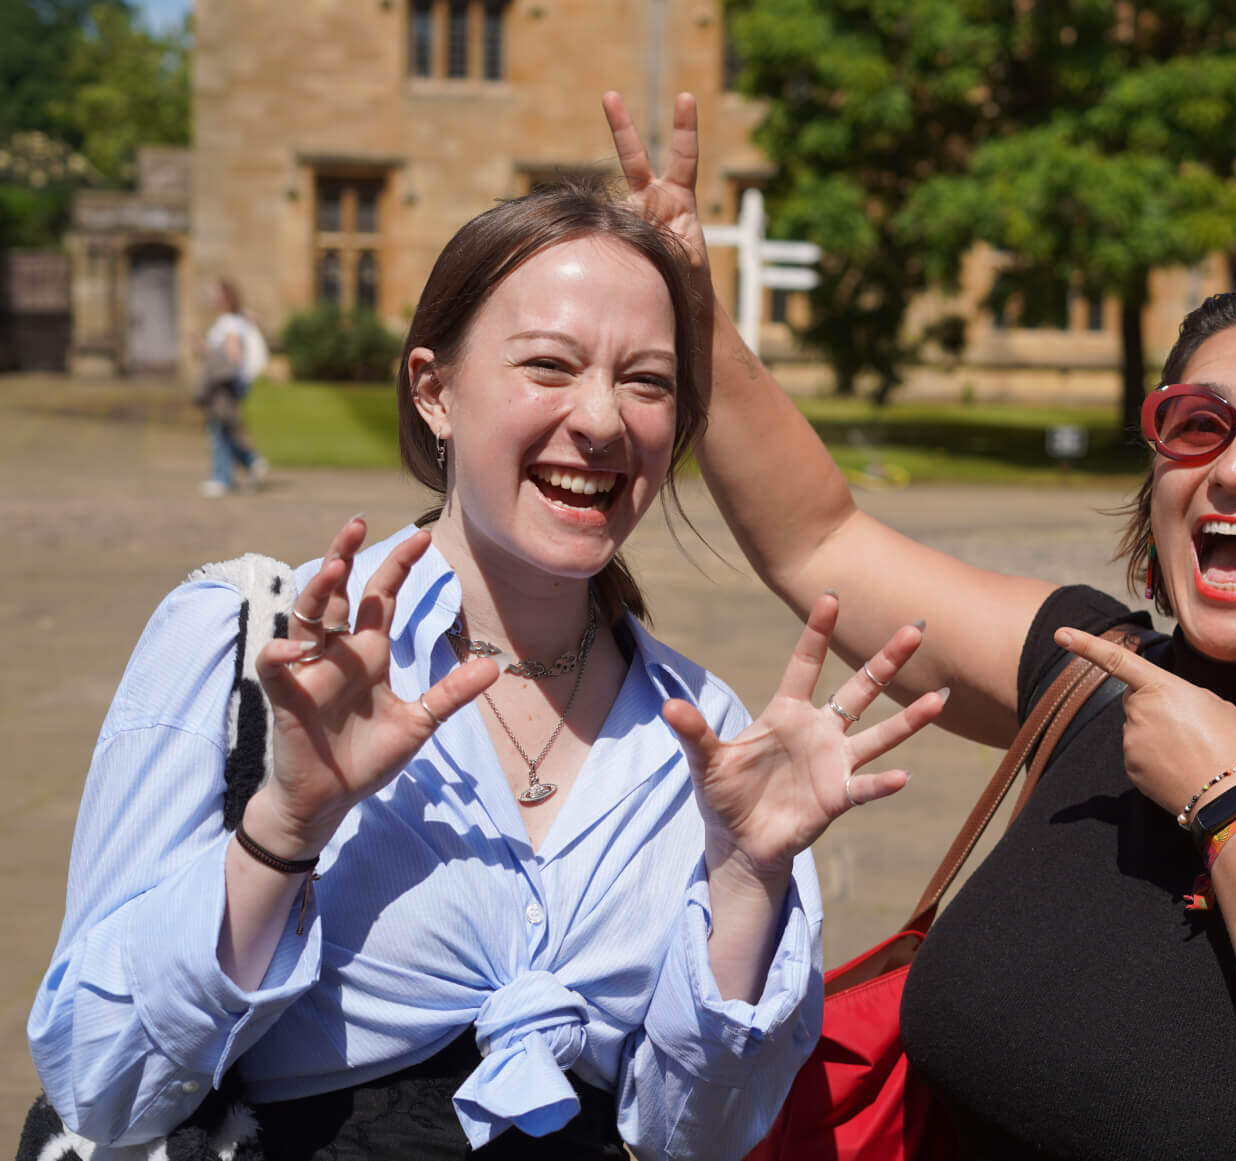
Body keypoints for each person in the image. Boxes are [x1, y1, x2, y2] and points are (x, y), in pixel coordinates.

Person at [608, 95, 1236, 1160]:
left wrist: (1231, 803)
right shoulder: (1088, 674)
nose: (1235, 470)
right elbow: (818, 540)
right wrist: (696, 310)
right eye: (1196, 426)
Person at [28, 170, 945, 1160]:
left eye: (646, 381)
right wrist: (285, 829)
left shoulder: (703, 732)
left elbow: (700, 1139)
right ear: (435, 390)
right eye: (549, 365)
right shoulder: (251, 646)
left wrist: (750, 881)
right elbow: (101, 1086)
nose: (600, 421)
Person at [198, 279, 269, 498]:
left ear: (224, 298)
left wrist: (209, 352)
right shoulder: (231, 320)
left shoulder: (229, 323)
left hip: (224, 385)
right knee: (223, 430)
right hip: (229, 383)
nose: (210, 299)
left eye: (214, 294)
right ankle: (251, 461)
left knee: (218, 430)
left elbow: (234, 354)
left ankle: (223, 478)